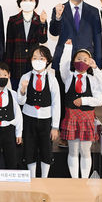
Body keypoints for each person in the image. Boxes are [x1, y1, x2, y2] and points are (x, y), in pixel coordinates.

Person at [58, 42, 102, 179]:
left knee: (85, 151)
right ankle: (74, 180)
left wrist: (84, 100)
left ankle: (84, 180)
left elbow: (99, 100)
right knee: (73, 151)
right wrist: (68, 48)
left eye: (85, 60)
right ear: (73, 61)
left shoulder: (93, 79)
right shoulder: (68, 77)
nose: (81, 62)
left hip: (87, 120)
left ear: (90, 63)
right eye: (78, 59)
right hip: (71, 119)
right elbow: (63, 65)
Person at [17, 45, 60, 178]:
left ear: (47, 61)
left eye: (41, 58)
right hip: (28, 118)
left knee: (46, 149)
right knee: (30, 148)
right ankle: (32, 177)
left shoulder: (52, 79)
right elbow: (20, 101)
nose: (38, 61)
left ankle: (44, 178)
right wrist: (23, 90)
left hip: (46, 119)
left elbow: (56, 103)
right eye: (35, 58)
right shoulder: (25, 77)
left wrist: (55, 126)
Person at [50, 0, 102, 68]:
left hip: (86, 60)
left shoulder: (93, 11)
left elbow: (97, 39)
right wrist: (58, 17)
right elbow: (54, 32)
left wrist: (98, 64)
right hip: (63, 58)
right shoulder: (59, 9)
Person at [5, 0, 48, 89]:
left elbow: (43, 40)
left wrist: (43, 23)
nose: (27, 2)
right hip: (17, 66)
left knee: (33, 94)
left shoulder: (40, 19)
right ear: (19, 1)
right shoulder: (13, 20)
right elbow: (9, 46)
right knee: (17, 93)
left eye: (31, 0)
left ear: (36, 2)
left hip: (34, 65)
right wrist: (7, 68)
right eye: (24, 0)